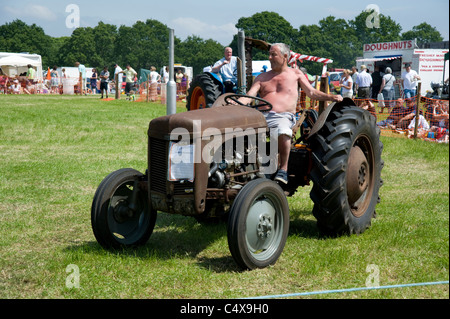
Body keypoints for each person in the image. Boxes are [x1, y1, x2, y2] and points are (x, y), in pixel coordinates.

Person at [238, 43, 343, 184]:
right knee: (237, 132)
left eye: (273, 54)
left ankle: (283, 170)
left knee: (283, 130)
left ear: (285, 56)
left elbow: (311, 92)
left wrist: (331, 97)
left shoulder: (295, 74)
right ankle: (244, 169)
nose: (269, 58)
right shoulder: (262, 77)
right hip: (260, 116)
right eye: (269, 54)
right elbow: (249, 96)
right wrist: (235, 103)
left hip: (283, 117)